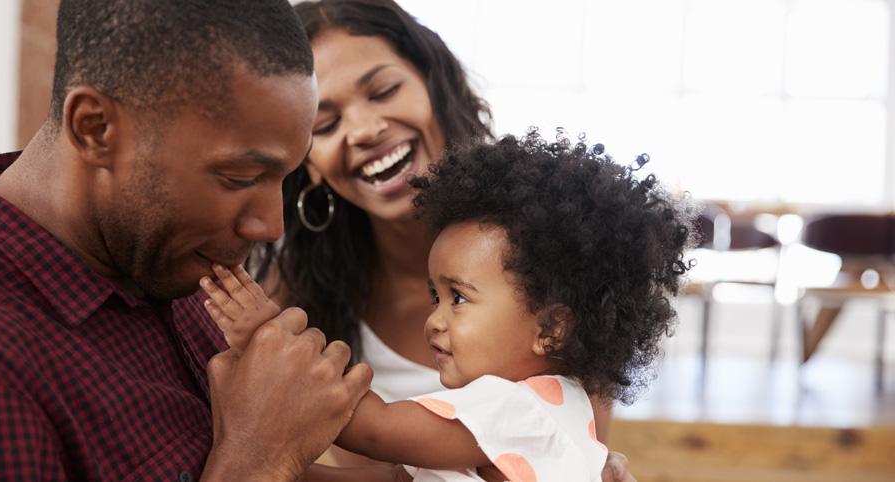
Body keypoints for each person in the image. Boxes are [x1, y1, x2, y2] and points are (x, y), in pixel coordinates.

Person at [0, 1, 374, 480]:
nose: (271, 227)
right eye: (239, 177)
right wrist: (259, 459)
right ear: (95, 128)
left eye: (285, 178)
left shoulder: (159, 254)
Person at [237, 0, 629, 474]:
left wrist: (271, 345)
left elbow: (373, 429)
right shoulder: (292, 283)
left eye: (383, 90)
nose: (364, 130)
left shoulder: (554, 269)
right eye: (324, 123)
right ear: (305, 159)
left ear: (435, 87)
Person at [203, 131, 697, 481]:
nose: (434, 320)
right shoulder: (538, 408)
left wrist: (269, 339)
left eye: (458, 298)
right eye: (435, 296)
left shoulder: (516, 412)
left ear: (551, 329)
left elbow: (369, 429)